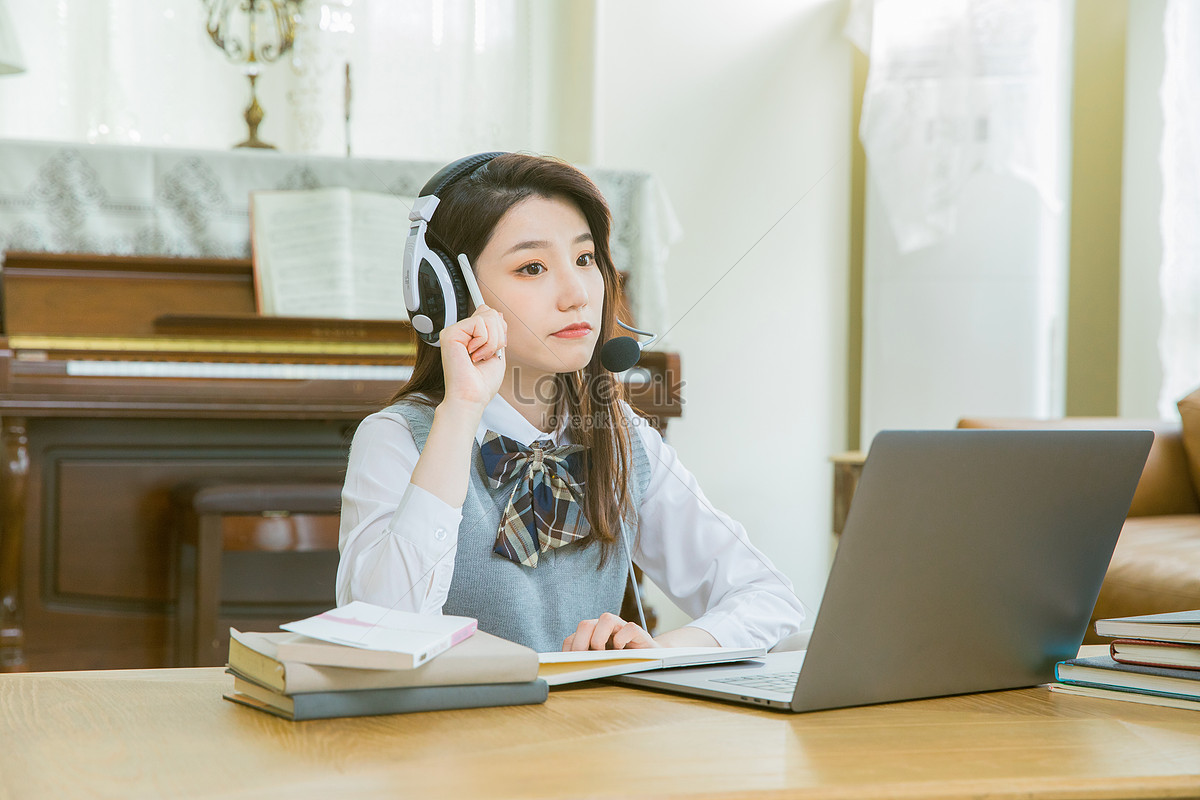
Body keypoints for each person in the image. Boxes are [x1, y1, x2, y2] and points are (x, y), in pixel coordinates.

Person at [336, 152, 809, 653]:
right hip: (455, 730)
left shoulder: (620, 435)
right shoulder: (395, 439)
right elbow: (378, 635)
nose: (577, 294)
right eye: (533, 267)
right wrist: (460, 412)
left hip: (587, 730)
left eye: (585, 260)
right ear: (448, 296)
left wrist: (657, 653)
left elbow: (769, 598)